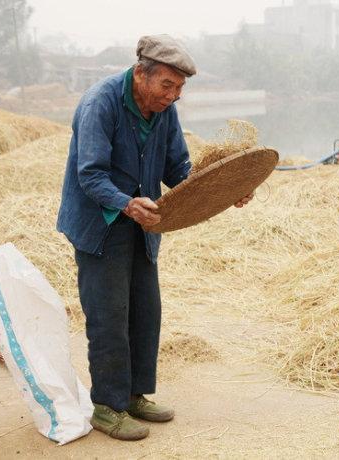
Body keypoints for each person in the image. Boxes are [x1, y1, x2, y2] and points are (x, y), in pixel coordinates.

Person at [57, 34, 254, 441]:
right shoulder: (101, 103)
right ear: (141, 74)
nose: (174, 95)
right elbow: (89, 173)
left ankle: (133, 395)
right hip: (101, 223)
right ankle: (107, 407)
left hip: (144, 223)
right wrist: (126, 204)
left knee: (145, 311)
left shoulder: (164, 111)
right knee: (109, 315)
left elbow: (177, 166)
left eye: (180, 88)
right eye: (167, 85)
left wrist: (220, 189)